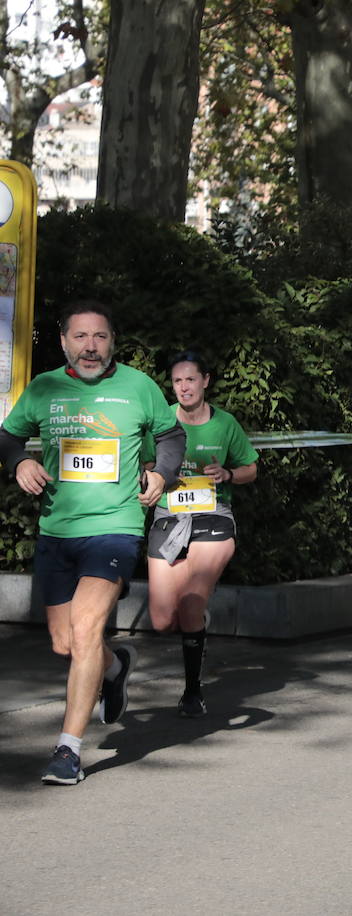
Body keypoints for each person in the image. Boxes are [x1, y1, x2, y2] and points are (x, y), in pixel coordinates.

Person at [0, 301, 185, 785]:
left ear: (112, 342)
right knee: (67, 643)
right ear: (63, 342)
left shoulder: (139, 387)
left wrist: (162, 474)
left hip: (115, 527)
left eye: (99, 337)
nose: (90, 346)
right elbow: (7, 437)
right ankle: (114, 663)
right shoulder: (44, 388)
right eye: (80, 337)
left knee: (84, 631)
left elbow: (172, 435)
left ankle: (68, 750)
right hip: (57, 530)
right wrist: (19, 462)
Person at [145, 351, 259, 718]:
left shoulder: (224, 424)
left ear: (205, 381)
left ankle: (192, 692)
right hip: (169, 513)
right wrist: (154, 474)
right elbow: (145, 463)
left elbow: (250, 469)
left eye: (190, 379)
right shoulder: (161, 420)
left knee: (192, 600)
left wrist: (227, 474)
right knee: (163, 619)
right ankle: (198, 629)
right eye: (177, 381)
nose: (184, 387)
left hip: (213, 515)